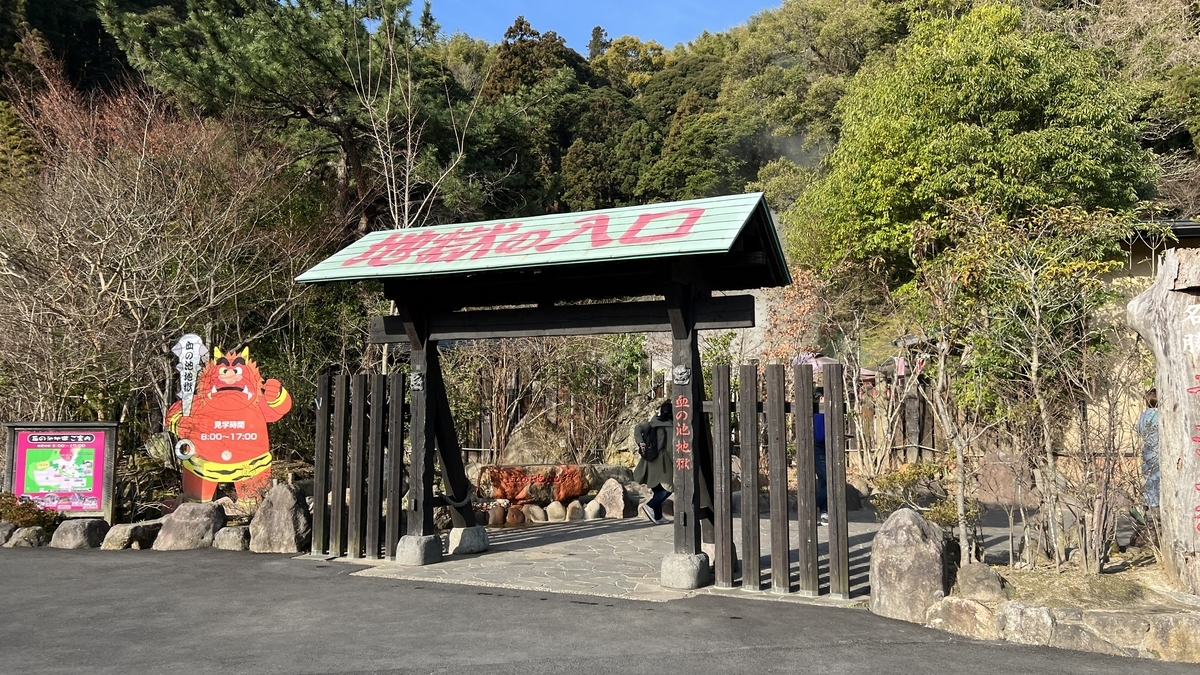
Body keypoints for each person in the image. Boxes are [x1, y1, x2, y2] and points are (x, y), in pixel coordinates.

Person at [634, 401, 674, 524]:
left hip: (650, 461)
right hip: (663, 462)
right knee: (669, 488)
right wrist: (676, 462)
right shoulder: (670, 427)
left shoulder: (653, 422)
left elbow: (637, 428)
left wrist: (640, 442)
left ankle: (658, 517)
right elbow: (670, 448)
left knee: (657, 489)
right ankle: (650, 506)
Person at [1135, 388, 1161, 511]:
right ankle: (1156, 503)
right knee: (1159, 477)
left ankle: (1147, 501)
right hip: (1159, 449)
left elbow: (1139, 430)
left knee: (1149, 476)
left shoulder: (1144, 415)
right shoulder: (1161, 414)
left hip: (1147, 449)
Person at [813, 399, 829, 526]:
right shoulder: (819, 411)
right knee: (825, 479)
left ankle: (824, 511)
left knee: (824, 481)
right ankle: (821, 509)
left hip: (820, 448)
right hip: (820, 448)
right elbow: (820, 436)